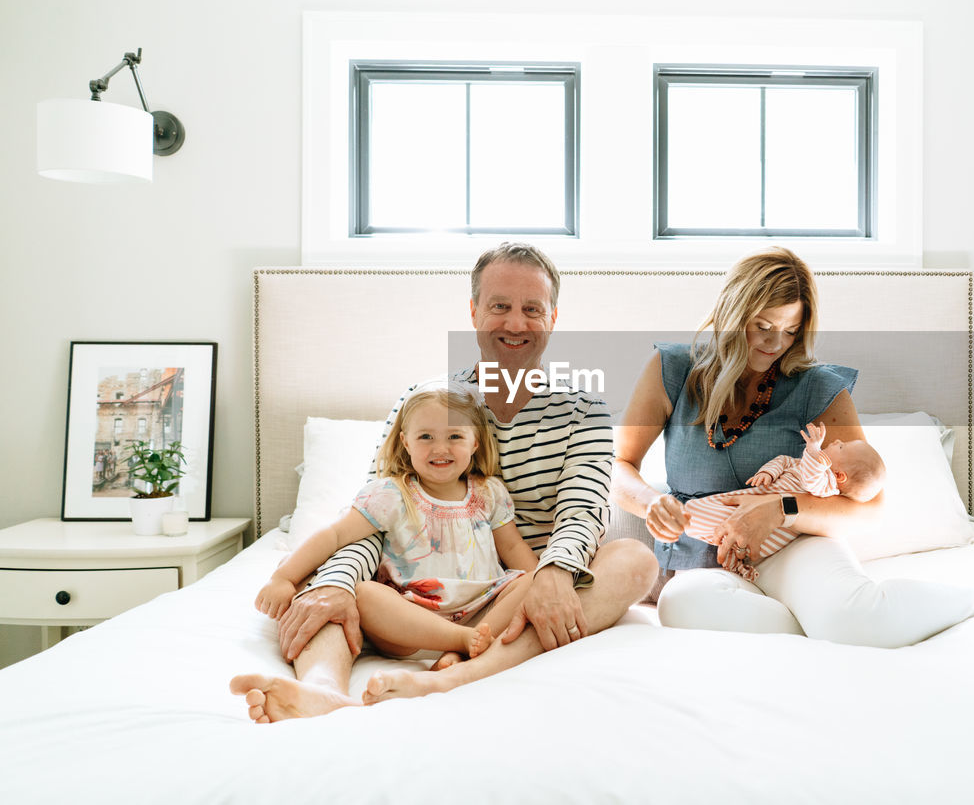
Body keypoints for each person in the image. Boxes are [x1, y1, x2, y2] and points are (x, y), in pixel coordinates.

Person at [231, 243, 658, 721]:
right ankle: (322, 690)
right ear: (473, 312)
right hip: (412, 594)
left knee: (635, 561)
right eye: (499, 306)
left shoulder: (584, 411)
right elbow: (372, 514)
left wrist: (552, 574)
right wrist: (336, 583)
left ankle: (454, 675)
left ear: (552, 317)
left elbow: (580, 515)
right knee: (325, 574)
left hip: (516, 595)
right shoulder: (425, 402)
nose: (515, 323)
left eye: (531, 309)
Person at [612, 247, 974, 648]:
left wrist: (782, 508)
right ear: (731, 313)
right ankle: (817, 626)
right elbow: (619, 466)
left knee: (851, 617)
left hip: (794, 543)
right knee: (680, 607)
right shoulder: (672, 369)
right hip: (705, 556)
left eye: (790, 331)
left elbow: (869, 506)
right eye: (762, 326)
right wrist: (652, 501)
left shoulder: (816, 387)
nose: (774, 344)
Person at [253, 383, 538, 680]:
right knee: (364, 594)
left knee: (533, 579)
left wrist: (539, 583)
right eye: (426, 437)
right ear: (405, 442)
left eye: (455, 436)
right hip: (411, 623)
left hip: (482, 610)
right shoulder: (391, 494)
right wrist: (283, 578)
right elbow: (335, 535)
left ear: (475, 443)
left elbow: (514, 549)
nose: (440, 448)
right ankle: (460, 643)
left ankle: (461, 646)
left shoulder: (489, 492)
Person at [681, 422, 881, 581]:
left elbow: (811, 480)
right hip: (757, 497)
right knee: (714, 508)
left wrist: (813, 449)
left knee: (710, 519)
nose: (836, 440)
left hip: (772, 533)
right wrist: (769, 472)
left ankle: (684, 518)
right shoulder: (804, 464)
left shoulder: (827, 486)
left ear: (839, 476)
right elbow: (784, 461)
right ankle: (688, 517)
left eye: (841, 447)